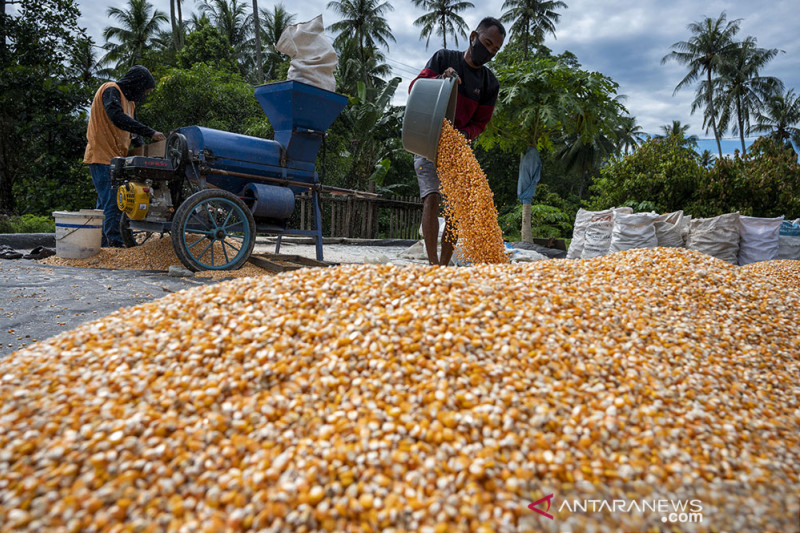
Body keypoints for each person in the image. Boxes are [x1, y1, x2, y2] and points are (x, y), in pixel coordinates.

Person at [409, 17, 506, 265]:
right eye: (487, 43)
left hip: (457, 148)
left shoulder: (489, 84)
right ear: (473, 37)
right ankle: (432, 264)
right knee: (432, 198)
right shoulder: (445, 59)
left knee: (456, 206)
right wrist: (441, 79)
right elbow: (415, 88)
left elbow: (480, 124)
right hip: (429, 138)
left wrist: (464, 135)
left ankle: (445, 264)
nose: (490, 52)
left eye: (495, 49)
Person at [83, 65, 166, 247]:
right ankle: (116, 244)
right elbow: (117, 117)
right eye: (144, 90)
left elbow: (133, 131)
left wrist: (146, 154)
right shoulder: (111, 89)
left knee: (105, 204)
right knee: (113, 202)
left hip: (118, 160)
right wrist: (151, 132)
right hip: (102, 156)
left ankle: (100, 243)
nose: (144, 95)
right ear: (136, 84)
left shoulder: (131, 103)